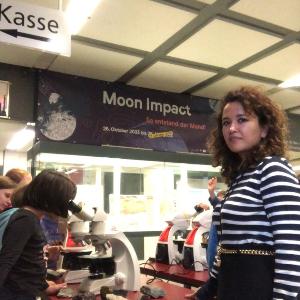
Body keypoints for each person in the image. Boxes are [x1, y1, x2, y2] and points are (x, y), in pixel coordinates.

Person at [185, 86, 300, 300]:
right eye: (226, 123)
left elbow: (292, 247)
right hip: (233, 289)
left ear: (264, 128)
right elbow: (228, 248)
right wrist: (207, 291)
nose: (231, 129)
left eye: (242, 120)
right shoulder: (240, 177)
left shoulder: (273, 169)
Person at [0, 169, 77, 299]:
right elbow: (6, 261)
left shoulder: (30, 218)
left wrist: (42, 286)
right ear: (52, 199)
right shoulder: (26, 220)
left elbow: (26, 262)